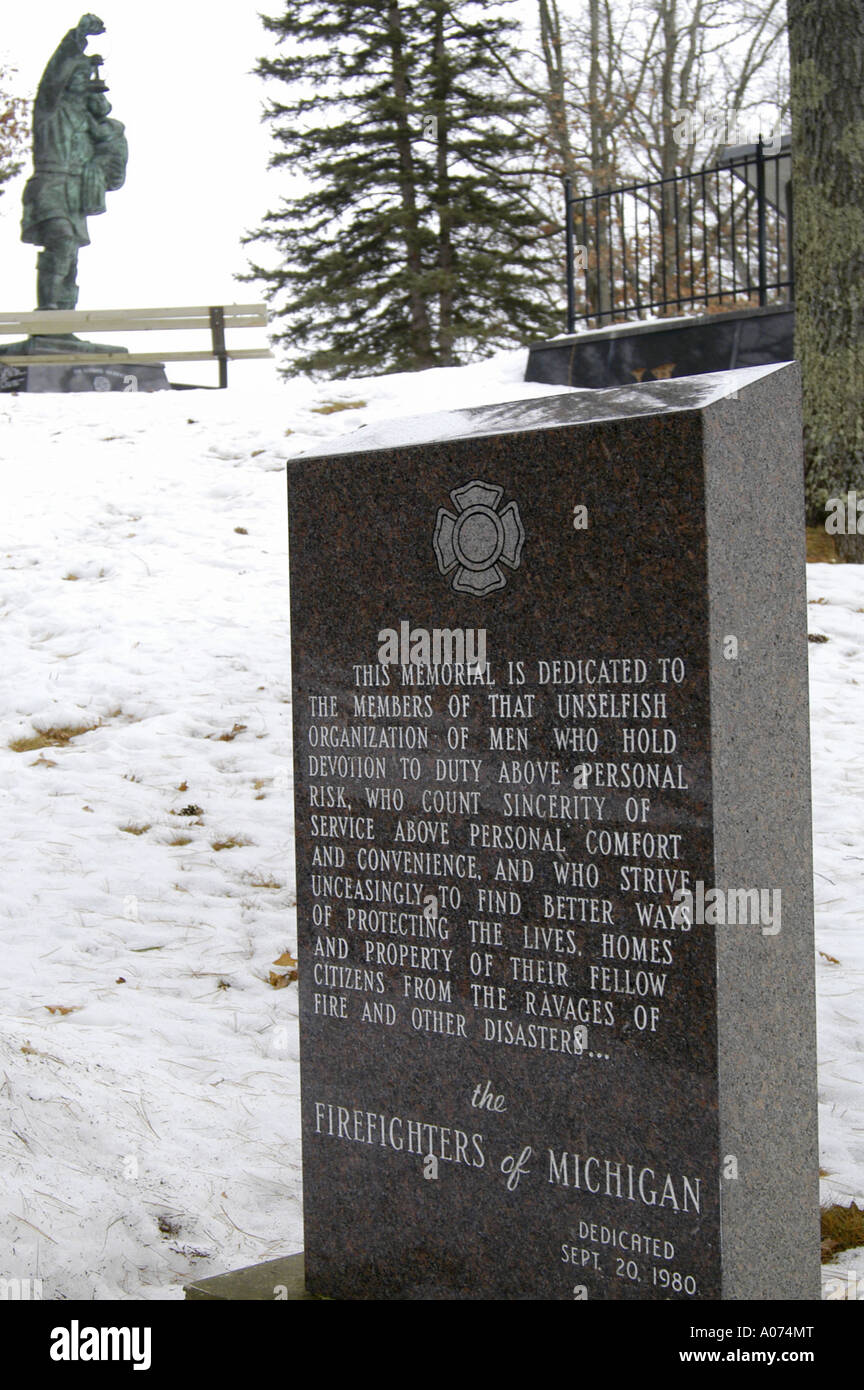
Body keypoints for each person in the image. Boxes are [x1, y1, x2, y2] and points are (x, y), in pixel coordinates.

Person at [20, 14, 127, 311]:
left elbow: (111, 165)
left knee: (71, 258)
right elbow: (52, 77)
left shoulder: (90, 123)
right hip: (50, 185)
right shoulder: (50, 110)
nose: (80, 80)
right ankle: (49, 311)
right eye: (76, 75)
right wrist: (77, 38)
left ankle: (63, 320)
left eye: (83, 75)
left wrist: (107, 150)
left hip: (75, 194)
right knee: (62, 242)